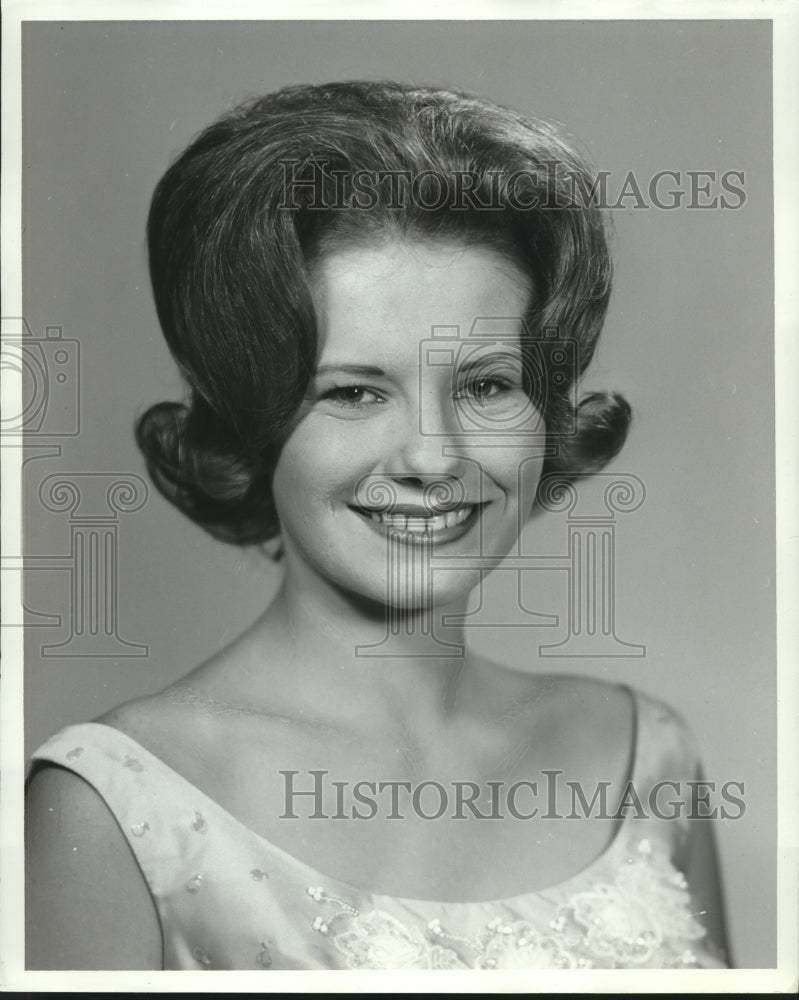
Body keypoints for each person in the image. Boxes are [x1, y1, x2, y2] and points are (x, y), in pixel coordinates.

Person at [25, 81, 729, 971]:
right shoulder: (114, 805)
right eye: (353, 392)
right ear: (252, 417)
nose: (433, 457)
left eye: (484, 384)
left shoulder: (645, 756)